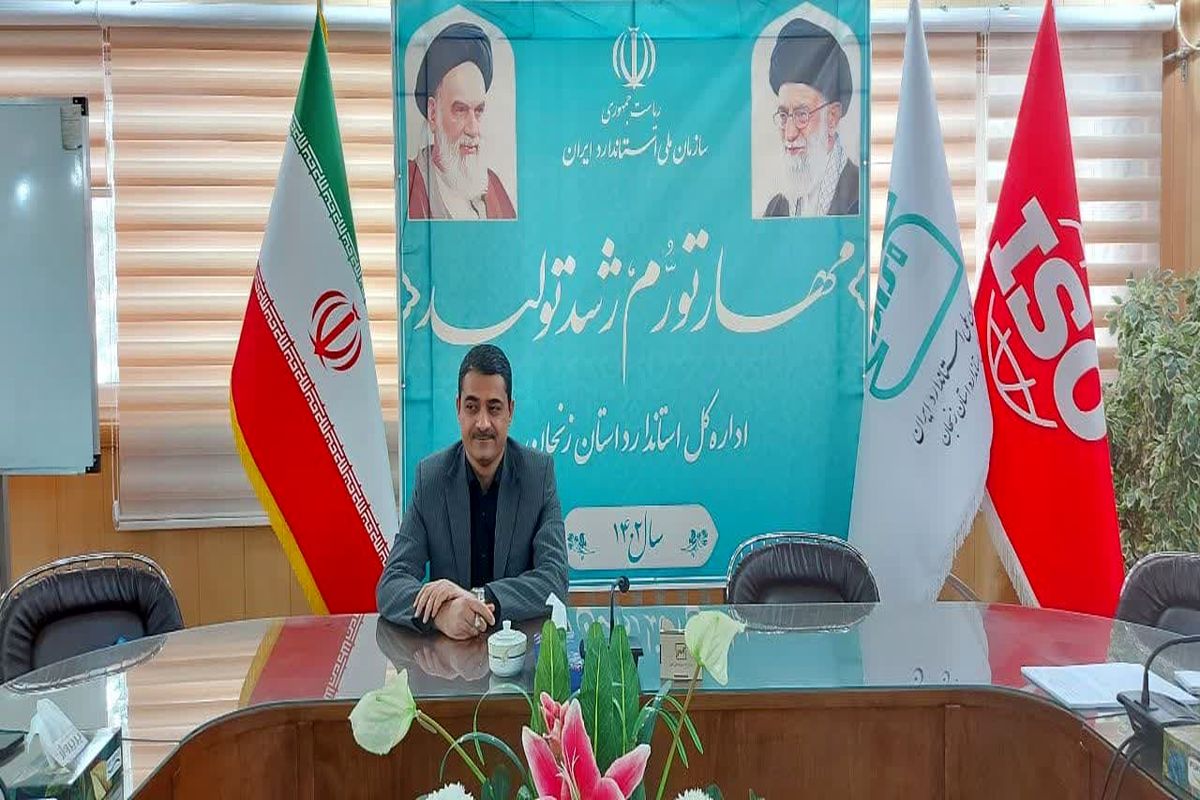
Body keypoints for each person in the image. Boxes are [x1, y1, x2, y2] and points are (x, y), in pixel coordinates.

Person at [377, 344, 568, 639]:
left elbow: (554, 580)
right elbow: (391, 585)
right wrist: (442, 612)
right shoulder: (431, 478)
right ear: (458, 409)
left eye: (494, 408)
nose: (482, 423)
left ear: (510, 411)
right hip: (448, 657)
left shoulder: (538, 475)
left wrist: (478, 598)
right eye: (472, 407)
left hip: (519, 655)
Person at [408, 22, 516, 220]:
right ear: (433, 113)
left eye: (479, 111)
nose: (473, 129)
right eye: (460, 110)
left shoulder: (492, 186)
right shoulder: (411, 185)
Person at [763, 17, 860, 218]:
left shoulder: (858, 198)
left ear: (832, 118)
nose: (789, 133)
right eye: (783, 115)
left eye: (801, 115)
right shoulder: (775, 209)